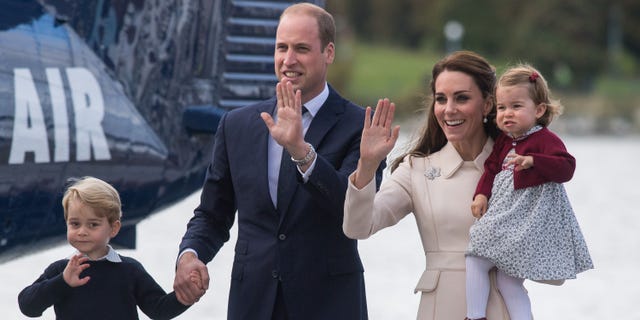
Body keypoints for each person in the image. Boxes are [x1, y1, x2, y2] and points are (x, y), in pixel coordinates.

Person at [173, 3, 383, 319]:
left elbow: (352, 212)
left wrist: (301, 152)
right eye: (281, 47)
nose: (288, 60)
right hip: (252, 304)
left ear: (328, 52)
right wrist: (189, 255)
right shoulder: (236, 125)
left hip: (329, 306)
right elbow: (212, 214)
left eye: (301, 49)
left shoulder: (361, 126)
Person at [343, 50, 512, 319]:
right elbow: (358, 227)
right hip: (440, 309)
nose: (449, 109)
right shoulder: (417, 169)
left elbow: (551, 262)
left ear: (488, 104)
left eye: (462, 98)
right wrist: (366, 165)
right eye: (441, 99)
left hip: (505, 309)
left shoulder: (516, 167)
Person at [464, 64, 593, 320]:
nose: (507, 114)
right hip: (506, 216)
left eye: (516, 106)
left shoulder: (545, 139)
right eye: (502, 108)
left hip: (527, 222)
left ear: (539, 110)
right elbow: (490, 169)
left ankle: (474, 316)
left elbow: (567, 168)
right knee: (505, 278)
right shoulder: (504, 140)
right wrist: (481, 195)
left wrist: (533, 160)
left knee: (477, 255)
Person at [18, 176, 189, 320]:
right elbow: (28, 306)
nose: (82, 232)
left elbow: (158, 309)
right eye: (75, 224)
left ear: (114, 228)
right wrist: (62, 281)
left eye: (93, 224)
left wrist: (186, 297)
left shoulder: (129, 270)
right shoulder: (62, 269)